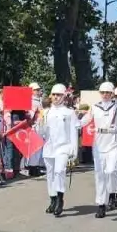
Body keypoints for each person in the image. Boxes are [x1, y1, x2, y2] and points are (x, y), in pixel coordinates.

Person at [80, 82, 117, 218]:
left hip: (113, 143)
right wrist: (75, 123)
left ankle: (112, 193)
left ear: (112, 94)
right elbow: (86, 119)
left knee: (110, 171)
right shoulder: (95, 107)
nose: (105, 95)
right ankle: (101, 205)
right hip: (98, 144)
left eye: (108, 93)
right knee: (100, 175)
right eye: (102, 92)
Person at [38, 83, 78, 218]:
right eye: (54, 95)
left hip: (64, 146)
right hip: (49, 147)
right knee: (50, 174)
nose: (56, 97)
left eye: (59, 95)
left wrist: (74, 151)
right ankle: (52, 199)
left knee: (59, 171)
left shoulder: (69, 112)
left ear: (63, 96)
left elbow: (73, 132)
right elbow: (41, 133)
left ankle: (60, 198)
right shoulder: (46, 112)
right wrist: (40, 123)